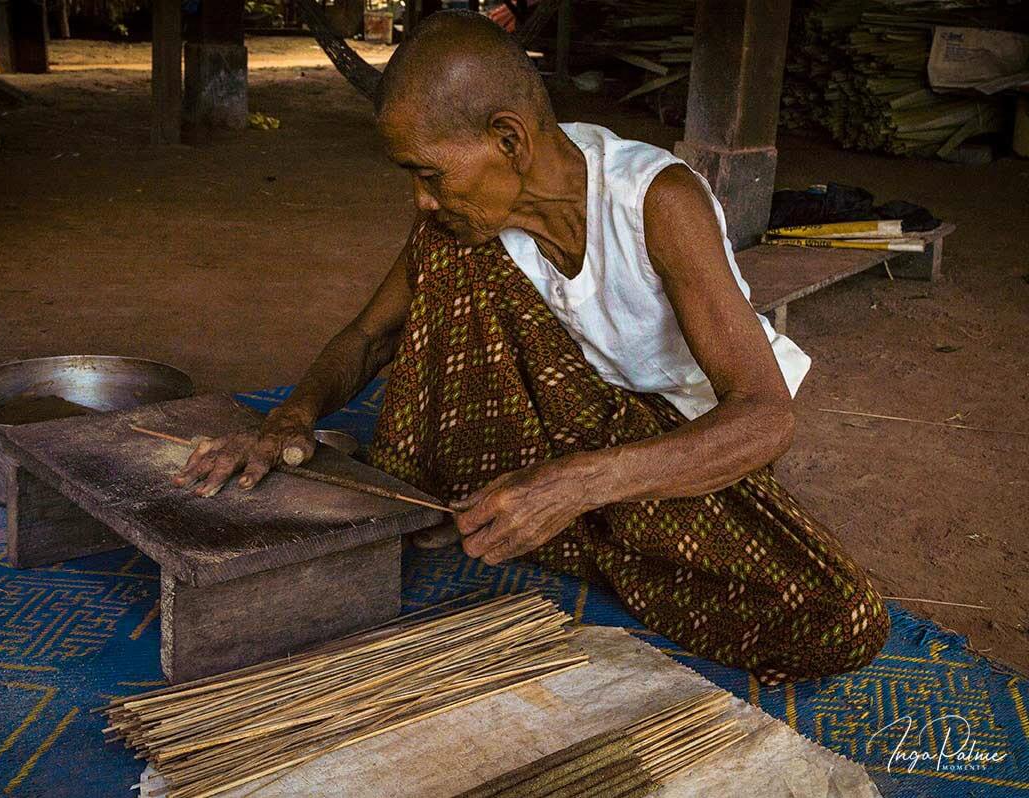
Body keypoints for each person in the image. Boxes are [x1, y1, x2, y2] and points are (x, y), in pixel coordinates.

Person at [173, 11, 889, 683]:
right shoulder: (465, 218)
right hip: (554, 418)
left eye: (429, 174)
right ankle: (544, 519)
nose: (421, 198)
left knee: (839, 617)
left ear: (509, 139)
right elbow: (371, 333)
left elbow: (766, 416)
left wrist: (576, 484)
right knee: (451, 251)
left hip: (663, 441)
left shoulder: (657, 201)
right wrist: (290, 421)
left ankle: (550, 517)